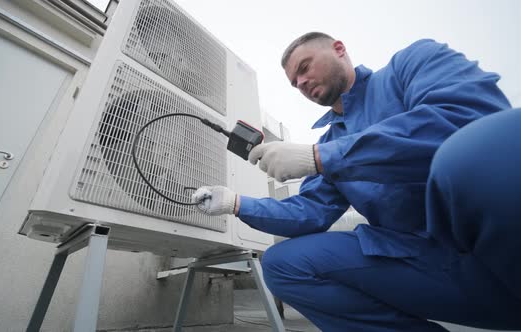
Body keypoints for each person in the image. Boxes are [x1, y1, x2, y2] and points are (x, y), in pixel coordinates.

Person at [192, 32, 521, 331]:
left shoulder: (412, 64)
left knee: (473, 148)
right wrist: (235, 203)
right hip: (433, 266)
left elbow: (465, 121)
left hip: (495, 246)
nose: (302, 82)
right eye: (294, 83)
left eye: (305, 67)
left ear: (339, 49)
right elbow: (310, 212)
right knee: (283, 265)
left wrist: (322, 157)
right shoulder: (331, 139)